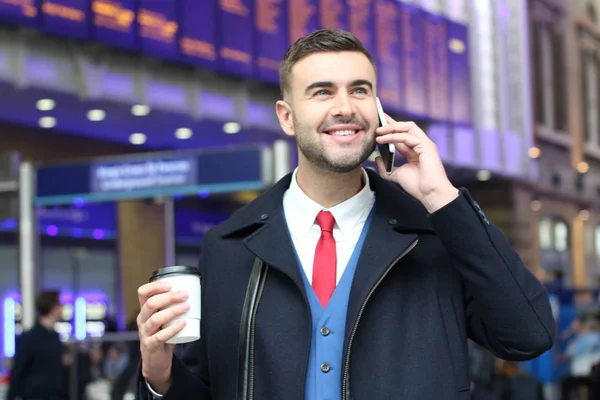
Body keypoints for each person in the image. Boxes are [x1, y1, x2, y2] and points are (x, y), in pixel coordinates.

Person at [136, 29, 555, 400]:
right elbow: (207, 388)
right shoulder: (228, 247)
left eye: (359, 90)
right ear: (287, 116)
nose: (345, 108)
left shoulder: (434, 234)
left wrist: (441, 196)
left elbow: (528, 336)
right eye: (322, 92)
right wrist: (158, 373)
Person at [7, 290, 67, 400]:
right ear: (52, 308)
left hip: (55, 395)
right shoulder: (30, 337)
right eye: (60, 304)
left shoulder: (55, 336)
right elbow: (18, 370)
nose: (63, 307)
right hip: (35, 395)